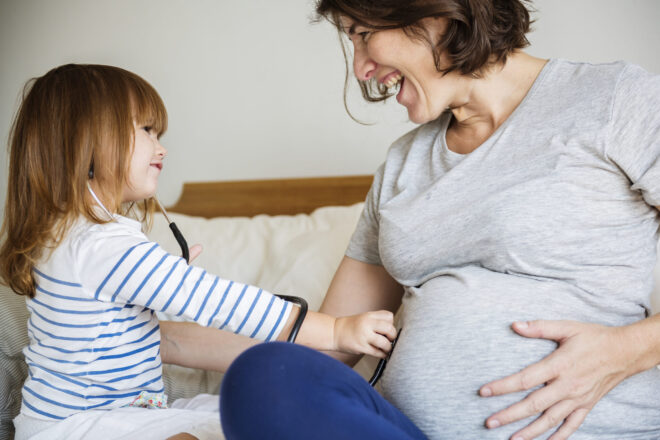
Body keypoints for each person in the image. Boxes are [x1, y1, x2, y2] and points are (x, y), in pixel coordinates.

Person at [219, 0, 660, 439]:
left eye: (363, 35)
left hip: (594, 429)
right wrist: (161, 332)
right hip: (407, 431)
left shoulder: (614, 98)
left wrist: (626, 350)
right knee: (266, 374)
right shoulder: (402, 163)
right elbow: (327, 341)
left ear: (435, 15)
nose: (360, 70)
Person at [0, 63, 397, 440]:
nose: (162, 148)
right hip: (86, 426)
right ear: (87, 141)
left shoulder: (65, 237)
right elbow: (224, 303)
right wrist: (336, 329)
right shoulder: (104, 247)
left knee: (215, 414)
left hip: (80, 422)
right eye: (147, 130)